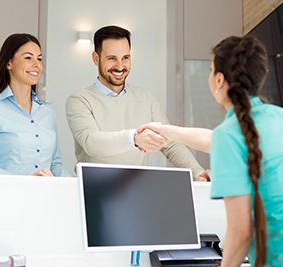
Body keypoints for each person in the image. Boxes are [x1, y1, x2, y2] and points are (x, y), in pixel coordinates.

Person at [139, 35, 283, 267]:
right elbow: (216, 139)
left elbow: (241, 230)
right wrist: (167, 131)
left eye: (212, 69)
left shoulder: (231, 134)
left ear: (219, 80)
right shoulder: (280, 117)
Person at [65, 25, 209, 181]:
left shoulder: (145, 97)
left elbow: (170, 144)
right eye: (112, 58)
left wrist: (197, 172)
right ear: (96, 58)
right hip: (94, 189)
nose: (120, 66)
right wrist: (134, 138)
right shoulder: (79, 100)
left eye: (125, 58)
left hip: (136, 189)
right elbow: (91, 143)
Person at [0, 33, 70, 177]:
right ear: (8, 63)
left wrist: (74, 184)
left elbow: (55, 165)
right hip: (9, 196)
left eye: (39, 59)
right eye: (28, 57)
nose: (37, 65)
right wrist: (27, 181)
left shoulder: (47, 112)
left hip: (45, 196)